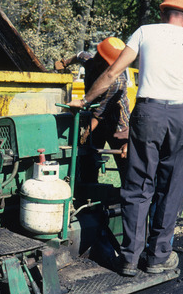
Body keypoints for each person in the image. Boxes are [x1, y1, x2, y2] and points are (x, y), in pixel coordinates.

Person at [68, 0, 183, 276]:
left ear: (162, 12)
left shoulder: (144, 32)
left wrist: (83, 101)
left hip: (148, 114)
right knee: (171, 189)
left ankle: (129, 258)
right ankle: (157, 257)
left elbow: (110, 75)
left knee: (137, 185)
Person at [56, 37, 130, 184]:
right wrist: (64, 63)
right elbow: (79, 56)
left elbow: (100, 113)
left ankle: (126, 197)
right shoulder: (90, 62)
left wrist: (83, 137)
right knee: (89, 159)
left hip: (117, 124)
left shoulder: (116, 82)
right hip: (95, 118)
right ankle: (89, 194)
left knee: (125, 161)